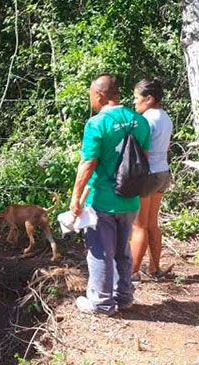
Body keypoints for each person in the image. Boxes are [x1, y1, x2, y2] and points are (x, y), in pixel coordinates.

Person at [70, 74, 151, 315]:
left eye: (91, 96)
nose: (91, 101)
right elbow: (143, 159)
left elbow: (88, 164)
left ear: (99, 95)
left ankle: (101, 302)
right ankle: (123, 297)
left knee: (99, 252)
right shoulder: (140, 121)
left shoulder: (96, 124)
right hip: (131, 198)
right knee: (121, 250)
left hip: (103, 199)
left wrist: (75, 198)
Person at [129, 79, 173, 282]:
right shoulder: (165, 117)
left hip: (147, 175)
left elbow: (140, 152)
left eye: (137, 98)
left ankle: (132, 272)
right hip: (163, 171)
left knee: (139, 226)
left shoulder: (145, 120)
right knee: (152, 224)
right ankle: (154, 268)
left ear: (149, 98)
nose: (134, 102)